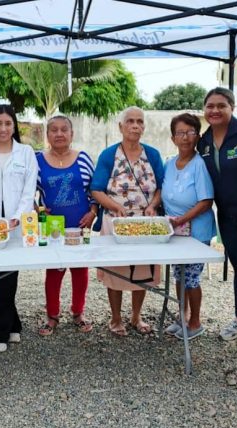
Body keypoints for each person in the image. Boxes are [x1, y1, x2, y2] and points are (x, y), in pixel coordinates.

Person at [90, 106, 164, 337]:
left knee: (142, 271)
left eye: (139, 121)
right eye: (130, 121)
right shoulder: (109, 154)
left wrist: (152, 205)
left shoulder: (152, 154)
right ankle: (115, 317)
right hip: (115, 222)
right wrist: (115, 207)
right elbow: (96, 190)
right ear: (120, 126)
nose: (135, 125)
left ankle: (136, 316)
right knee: (116, 272)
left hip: (145, 224)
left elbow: (161, 186)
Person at [197, 87, 237, 348]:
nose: (214, 110)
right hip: (225, 214)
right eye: (210, 106)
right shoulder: (203, 141)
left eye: (221, 105)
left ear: (232, 107)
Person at [0, 104, 38, 353]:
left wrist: (15, 217)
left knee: (8, 276)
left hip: (16, 224)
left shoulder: (26, 152)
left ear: (14, 126)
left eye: (8, 124)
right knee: (0, 275)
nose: (3, 128)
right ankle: (13, 325)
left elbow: (29, 188)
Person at [36, 115, 96, 336]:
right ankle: (52, 316)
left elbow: (95, 189)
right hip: (53, 228)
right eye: (54, 130)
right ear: (48, 134)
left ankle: (78, 313)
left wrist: (93, 212)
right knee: (54, 270)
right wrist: (37, 210)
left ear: (72, 134)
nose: (59, 134)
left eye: (64, 130)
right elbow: (25, 191)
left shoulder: (83, 159)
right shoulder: (37, 160)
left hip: (80, 225)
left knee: (80, 270)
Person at [161, 113, 215, 340]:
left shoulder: (199, 165)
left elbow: (206, 201)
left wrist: (182, 219)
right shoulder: (169, 164)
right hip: (174, 231)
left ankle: (195, 321)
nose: (185, 138)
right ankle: (181, 317)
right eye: (180, 133)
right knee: (178, 274)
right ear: (173, 138)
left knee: (191, 277)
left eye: (190, 132)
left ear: (198, 136)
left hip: (194, 230)